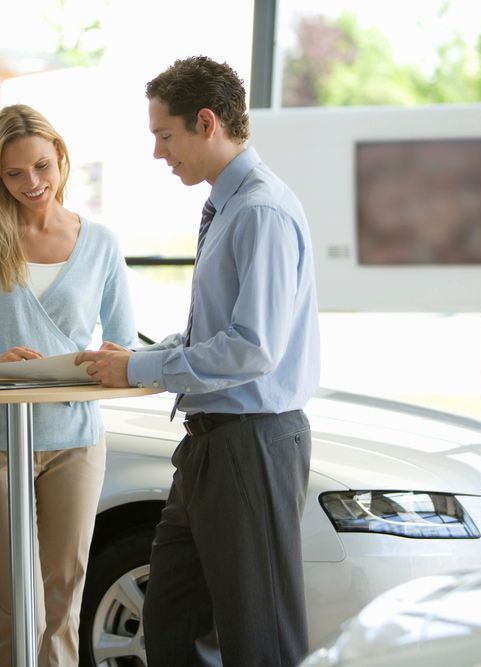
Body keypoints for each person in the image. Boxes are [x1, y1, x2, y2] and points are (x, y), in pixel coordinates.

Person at [76, 56, 320, 666]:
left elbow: (250, 348)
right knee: (171, 619)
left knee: (258, 636)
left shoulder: (259, 210)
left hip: (251, 443)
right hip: (212, 445)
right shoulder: (228, 207)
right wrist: (137, 356)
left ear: (206, 122)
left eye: (165, 135)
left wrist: (137, 371)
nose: (160, 153)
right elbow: (208, 333)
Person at [0, 103, 135, 667]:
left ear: (62, 159)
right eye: (14, 173)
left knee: (64, 601)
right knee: (15, 609)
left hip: (75, 439)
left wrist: (108, 362)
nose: (32, 184)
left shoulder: (102, 244)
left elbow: (122, 347)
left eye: (41, 166)